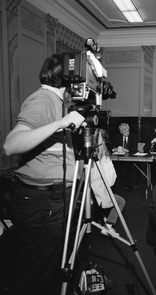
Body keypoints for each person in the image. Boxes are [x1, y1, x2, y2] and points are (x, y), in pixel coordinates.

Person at [3, 54, 85, 295]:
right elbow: (11, 144)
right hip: (41, 203)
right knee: (36, 274)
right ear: (68, 82)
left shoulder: (57, 102)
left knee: (50, 267)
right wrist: (61, 123)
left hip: (53, 201)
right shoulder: (43, 100)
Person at [91, 128, 125, 235]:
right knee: (121, 201)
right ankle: (108, 226)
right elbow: (110, 182)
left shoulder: (89, 155)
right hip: (101, 194)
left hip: (91, 194)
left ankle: (103, 219)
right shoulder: (104, 158)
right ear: (104, 141)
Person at [112, 123, 138, 190]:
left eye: (127, 130)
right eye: (124, 131)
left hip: (129, 156)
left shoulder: (133, 136)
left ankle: (129, 184)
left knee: (127, 166)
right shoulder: (117, 136)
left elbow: (134, 148)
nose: (127, 132)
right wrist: (116, 149)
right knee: (114, 165)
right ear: (121, 132)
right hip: (118, 157)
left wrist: (126, 150)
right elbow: (112, 146)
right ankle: (114, 183)